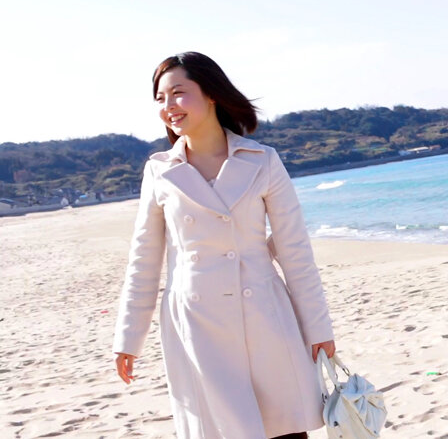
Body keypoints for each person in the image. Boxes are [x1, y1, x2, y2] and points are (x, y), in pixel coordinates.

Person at [112, 51, 336, 439]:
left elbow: (295, 251)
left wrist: (318, 328)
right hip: (197, 326)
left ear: (211, 94)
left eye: (178, 93)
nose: (168, 106)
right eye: (160, 98)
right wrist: (128, 338)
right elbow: (144, 260)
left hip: (265, 316)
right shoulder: (160, 170)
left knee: (285, 430)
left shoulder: (262, 161)